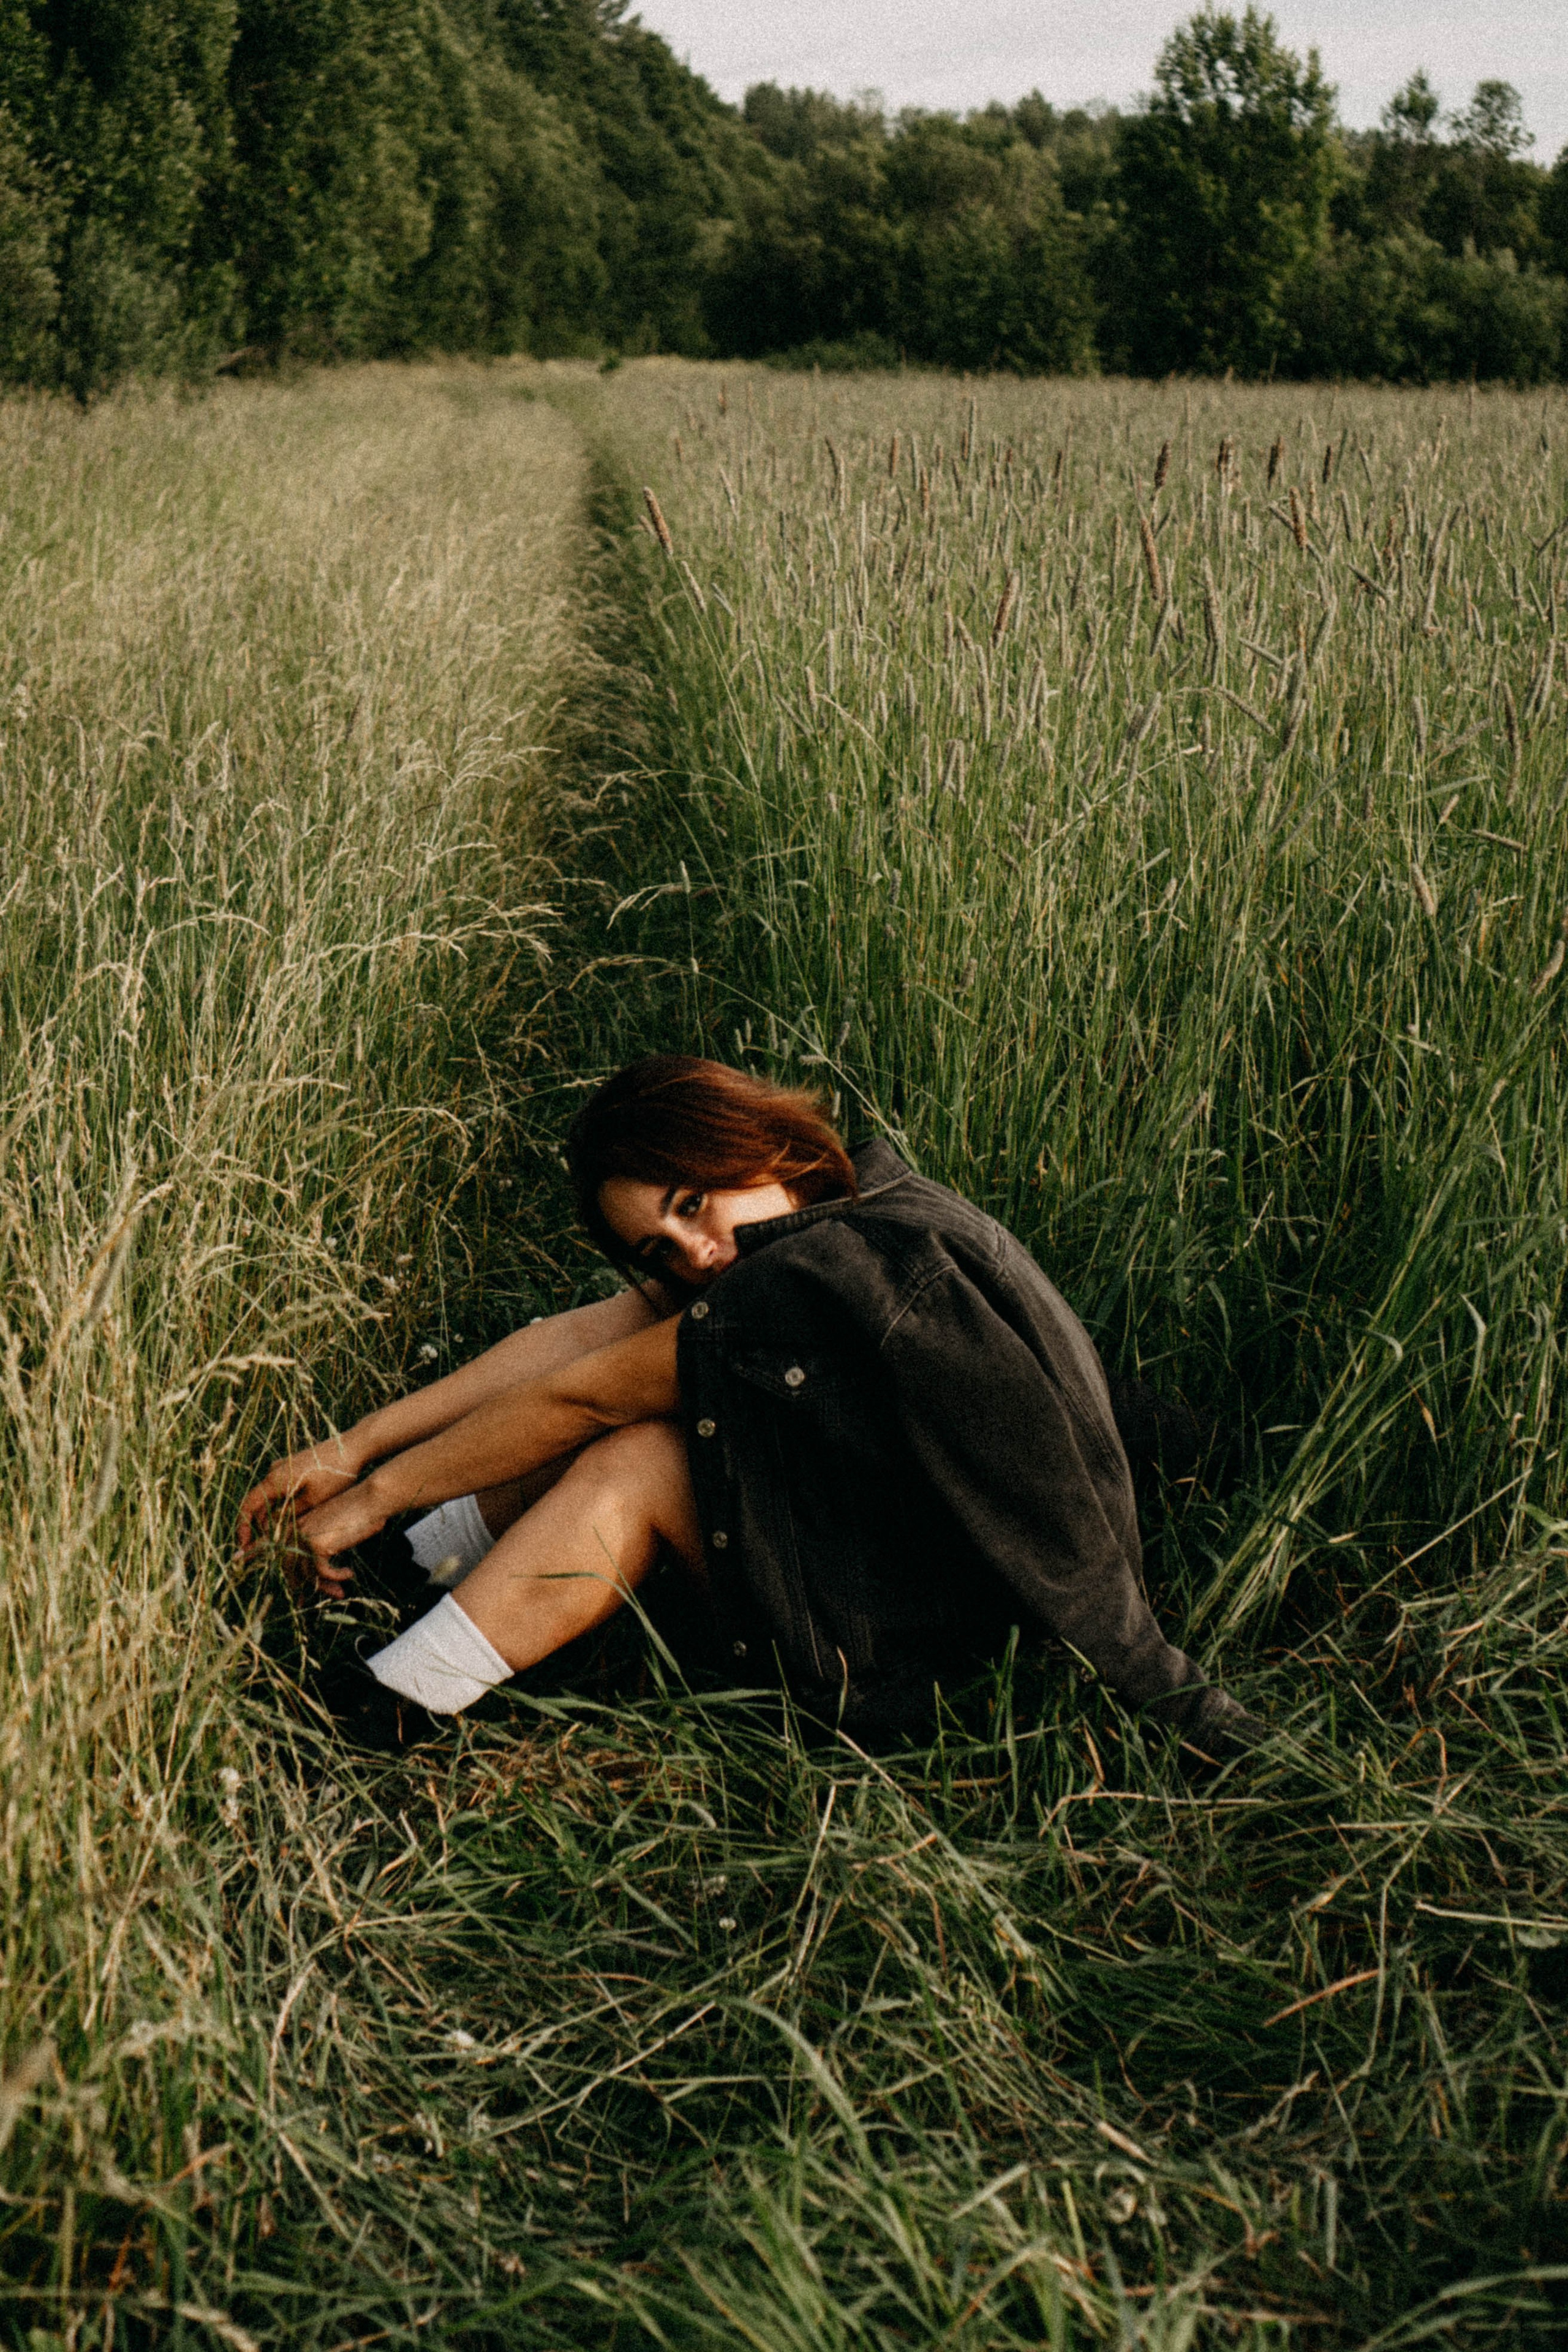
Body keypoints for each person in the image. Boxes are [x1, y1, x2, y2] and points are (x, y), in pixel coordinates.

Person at [238, 1055, 1259, 1753]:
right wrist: (355, 1445)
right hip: (931, 1579)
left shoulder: (820, 1277)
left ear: (755, 1143)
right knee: (650, 1385)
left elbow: (582, 1397)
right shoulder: (873, 1203)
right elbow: (579, 1339)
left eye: (693, 1204)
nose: (694, 1253)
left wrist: (371, 1491)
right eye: (660, 1247)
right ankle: (412, 1567)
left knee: (639, 1454)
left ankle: (387, 1703)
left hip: (943, 1667)